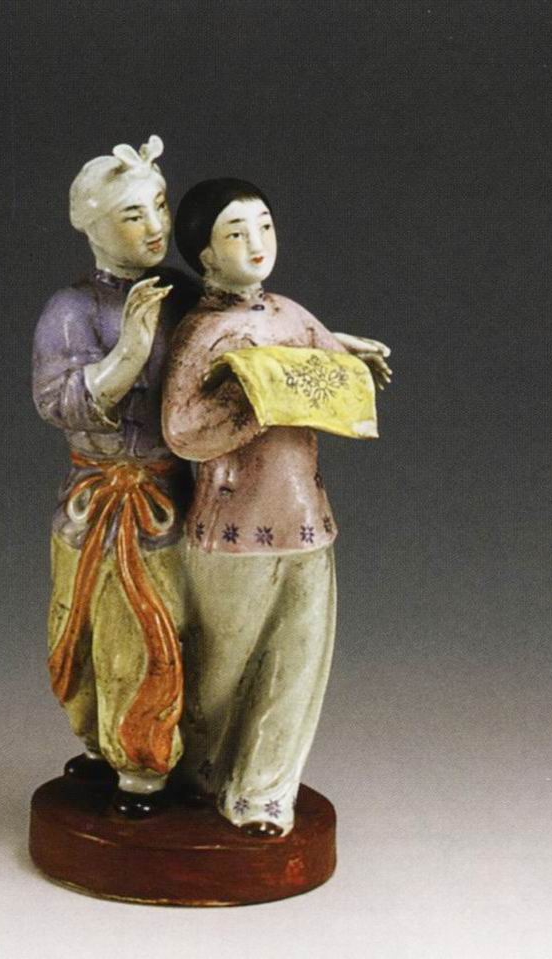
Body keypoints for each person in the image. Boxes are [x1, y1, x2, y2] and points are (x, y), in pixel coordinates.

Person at [162, 178, 390, 837]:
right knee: (221, 667)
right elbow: (181, 430)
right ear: (205, 255)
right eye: (236, 233)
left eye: (264, 226)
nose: (257, 243)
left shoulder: (290, 313)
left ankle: (262, 794)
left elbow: (323, 360)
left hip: (306, 520)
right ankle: (198, 771)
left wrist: (348, 359)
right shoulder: (202, 332)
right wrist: (258, 400)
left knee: (298, 660)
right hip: (232, 529)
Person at [32, 136, 199, 817]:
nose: (156, 226)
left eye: (160, 205)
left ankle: (143, 765)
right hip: (92, 498)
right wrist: (127, 353)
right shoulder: (70, 309)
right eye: (134, 215)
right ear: (96, 227)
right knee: (78, 634)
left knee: (152, 632)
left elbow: (242, 347)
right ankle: (98, 738)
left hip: (168, 499)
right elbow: (57, 400)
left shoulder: (188, 298)